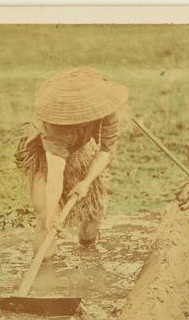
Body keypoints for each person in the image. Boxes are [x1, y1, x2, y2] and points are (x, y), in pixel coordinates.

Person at [15, 67, 128, 258]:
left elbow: (105, 151)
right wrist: (53, 213)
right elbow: (56, 172)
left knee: (95, 208)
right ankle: (45, 274)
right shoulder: (57, 127)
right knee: (44, 216)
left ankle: (88, 251)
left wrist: (86, 182)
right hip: (44, 156)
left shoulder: (105, 110)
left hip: (80, 151)